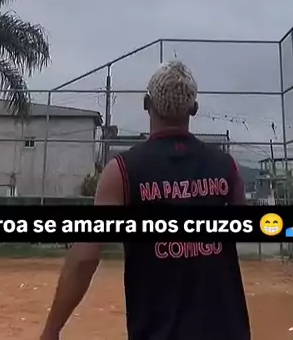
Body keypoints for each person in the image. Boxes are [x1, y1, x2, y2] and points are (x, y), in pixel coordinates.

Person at [40, 60, 251, 340]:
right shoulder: (227, 167)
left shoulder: (122, 171)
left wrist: (52, 330)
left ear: (146, 103)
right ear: (194, 109)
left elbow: (85, 256)